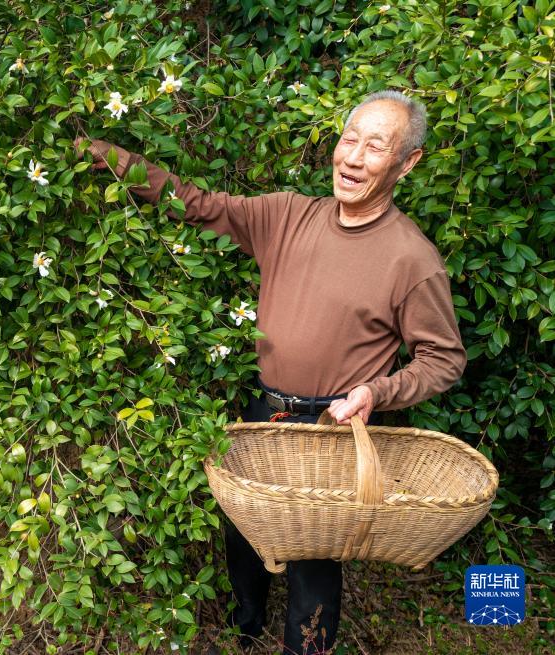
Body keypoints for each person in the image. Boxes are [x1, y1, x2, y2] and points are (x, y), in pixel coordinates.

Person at [79, 90, 466, 654]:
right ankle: (246, 626)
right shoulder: (286, 215)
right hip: (265, 415)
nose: (353, 158)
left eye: (375, 147)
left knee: (313, 565)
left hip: (331, 433)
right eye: (349, 139)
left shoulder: (413, 259)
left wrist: (377, 391)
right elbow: (193, 202)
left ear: (407, 163)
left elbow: (444, 360)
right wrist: (101, 153)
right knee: (244, 532)